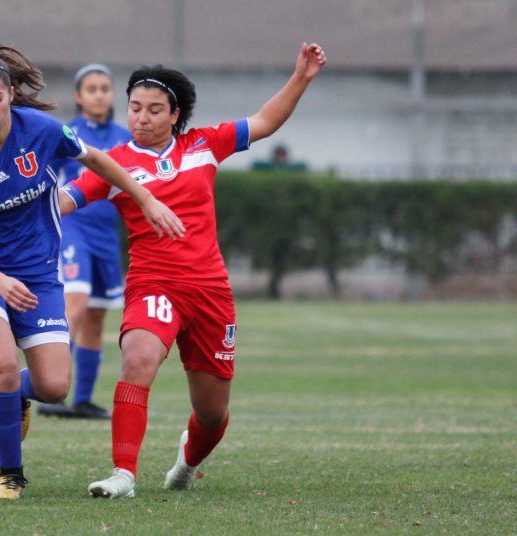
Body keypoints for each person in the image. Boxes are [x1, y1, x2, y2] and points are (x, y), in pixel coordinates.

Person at [59, 43, 327, 498]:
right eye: (135, 108)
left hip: (209, 292)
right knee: (138, 359)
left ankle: (187, 461)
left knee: (212, 414)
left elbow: (264, 121)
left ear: (175, 115)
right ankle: (123, 474)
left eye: (153, 110)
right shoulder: (115, 163)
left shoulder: (204, 144)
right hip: (153, 285)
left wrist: (301, 76)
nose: (141, 118)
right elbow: (64, 202)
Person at [0, 42, 183, 500]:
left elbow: (98, 160)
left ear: (11, 94)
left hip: (37, 273)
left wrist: (145, 198)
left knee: (53, 387)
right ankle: (11, 475)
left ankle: (12, 393)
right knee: (2, 363)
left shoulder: (43, 131)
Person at [38, 64, 131, 420]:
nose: (99, 94)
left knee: (96, 316)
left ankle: (83, 400)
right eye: (91, 89)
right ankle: (52, 390)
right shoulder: (67, 134)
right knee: (74, 305)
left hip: (107, 235)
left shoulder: (124, 137)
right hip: (72, 229)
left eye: (104, 88)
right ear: (78, 95)